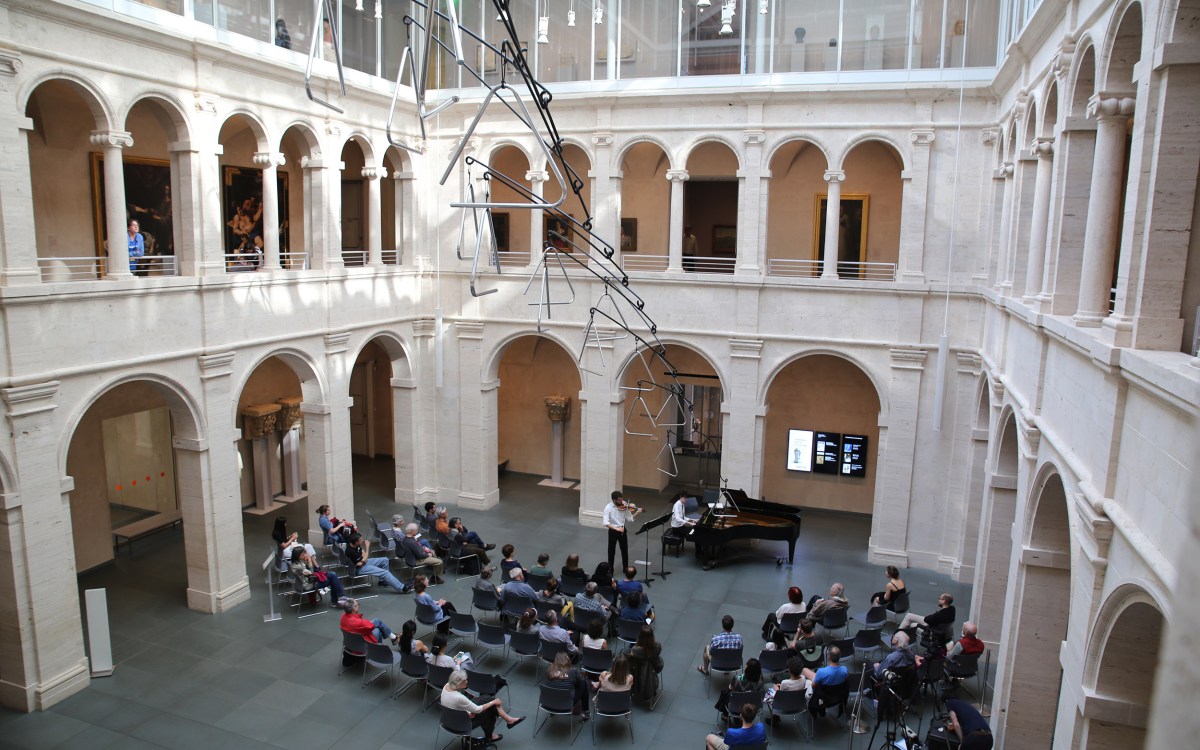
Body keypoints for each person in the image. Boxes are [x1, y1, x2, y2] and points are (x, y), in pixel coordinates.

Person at [440, 669, 525, 745]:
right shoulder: (459, 697)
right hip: (461, 725)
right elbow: (478, 710)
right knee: (490, 709)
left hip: (448, 719)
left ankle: (509, 720)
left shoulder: (446, 686)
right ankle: (491, 735)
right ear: (458, 683)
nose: (466, 682)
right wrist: (493, 702)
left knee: (487, 697)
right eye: (464, 681)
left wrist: (468, 712)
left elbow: (454, 706)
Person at [344, 532, 411, 594]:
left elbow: (364, 556)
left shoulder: (354, 545)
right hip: (359, 569)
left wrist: (363, 559)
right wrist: (367, 548)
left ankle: (382, 581)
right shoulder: (351, 551)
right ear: (356, 542)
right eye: (361, 540)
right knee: (385, 572)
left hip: (364, 563)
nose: (362, 540)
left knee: (385, 560)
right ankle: (402, 588)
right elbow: (364, 558)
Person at [602, 491, 642, 572]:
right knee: (611, 551)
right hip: (613, 531)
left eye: (622, 499)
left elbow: (630, 519)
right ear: (614, 500)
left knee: (624, 550)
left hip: (623, 530)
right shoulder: (608, 507)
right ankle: (611, 570)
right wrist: (617, 529)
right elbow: (605, 522)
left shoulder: (624, 506)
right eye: (619, 500)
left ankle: (625, 568)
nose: (622, 502)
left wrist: (637, 512)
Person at [544, 651, 590, 718]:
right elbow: (579, 683)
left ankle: (553, 711)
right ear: (567, 660)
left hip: (550, 702)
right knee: (583, 683)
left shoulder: (549, 670)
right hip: (567, 703)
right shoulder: (573, 671)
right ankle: (586, 712)